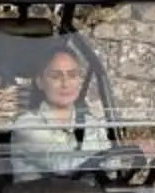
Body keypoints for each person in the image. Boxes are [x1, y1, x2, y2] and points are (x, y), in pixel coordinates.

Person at [9, 45, 100, 180]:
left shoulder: (92, 124)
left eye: (72, 75)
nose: (65, 84)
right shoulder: (26, 125)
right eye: (56, 76)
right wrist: (102, 156)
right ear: (40, 82)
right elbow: (60, 165)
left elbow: (112, 166)